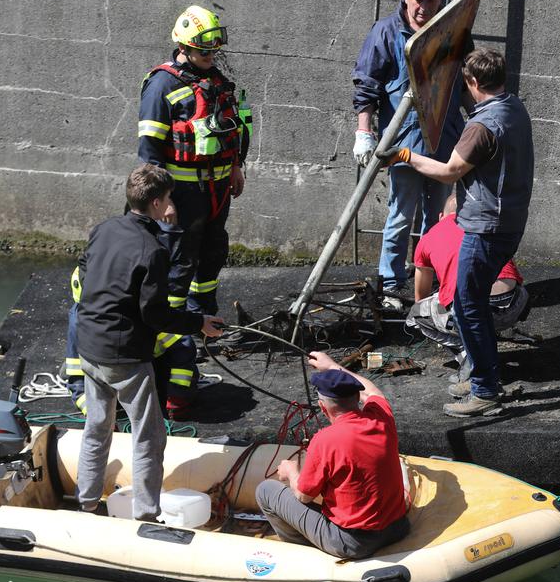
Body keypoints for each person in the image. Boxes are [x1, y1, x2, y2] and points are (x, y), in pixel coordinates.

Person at [380, 48, 534, 418]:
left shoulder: (481, 126)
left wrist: (405, 156)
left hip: (485, 228)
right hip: (507, 222)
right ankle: (480, 375)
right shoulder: (513, 107)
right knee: (471, 304)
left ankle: (484, 389)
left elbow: (450, 171)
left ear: (473, 83)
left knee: (466, 305)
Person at [75, 164, 225, 521]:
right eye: (169, 198)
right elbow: (155, 314)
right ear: (158, 203)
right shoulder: (151, 249)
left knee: (97, 425)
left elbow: (84, 269)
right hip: (124, 356)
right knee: (149, 435)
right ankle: (145, 515)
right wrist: (198, 323)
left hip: (89, 345)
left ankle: (86, 502)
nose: (172, 204)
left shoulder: (104, 229)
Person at [138, 5, 253, 417]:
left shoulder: (218, 82)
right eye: (205, 46)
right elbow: (149, 153)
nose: (212, 51)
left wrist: (236, 167)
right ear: (185, 44)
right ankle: (172, 341)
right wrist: (161, 199)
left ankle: (203, 328)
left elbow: (234, 129)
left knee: (211, 261)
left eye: (215, 44)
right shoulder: (162, 87)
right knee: (178, 268)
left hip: (218, 190)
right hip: (182, 195)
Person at [352, 0, 468, 301]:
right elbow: (367, 84)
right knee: (401, 215)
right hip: (404, 144)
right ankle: (391, 283)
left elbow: (465, 84)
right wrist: (364, 131)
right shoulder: (386, 32)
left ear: (439, 0)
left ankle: (430, 283)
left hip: (446, 142)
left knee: (439, 220)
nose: (422, 6)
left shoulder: (453, 31)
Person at [255, 352, 411, 558]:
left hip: (353, 542)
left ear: (322, 407)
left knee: (266, 490)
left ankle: (302, 552)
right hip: (397, 528)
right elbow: (372, 391)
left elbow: (304, 495)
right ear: (357, 397)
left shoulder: (324, 440)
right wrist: (331, 366)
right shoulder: (382, 418)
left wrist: (290, 473)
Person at [407, 193, 529, 380]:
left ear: (441, 216)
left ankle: (469, 357)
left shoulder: (429, 237)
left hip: (473, 312)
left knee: (416, 315)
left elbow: (420, 297)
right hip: (514, 304)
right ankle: (486, 338)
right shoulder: (486, 227)